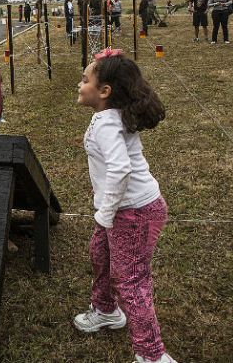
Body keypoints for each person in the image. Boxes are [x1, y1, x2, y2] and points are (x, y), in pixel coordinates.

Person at [74, 47, 177, 363]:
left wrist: (105, 213)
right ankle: (105, 309)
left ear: (104, 91)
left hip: (132, 212)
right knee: (99, 255)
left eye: (84, 79)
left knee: (131, 281)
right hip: (118, 210)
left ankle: (152, 355)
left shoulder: (106, 122)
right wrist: (105, 213)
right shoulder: (108, 116)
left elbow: (120, 169)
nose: (79, 85)